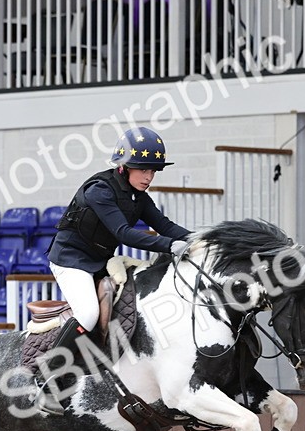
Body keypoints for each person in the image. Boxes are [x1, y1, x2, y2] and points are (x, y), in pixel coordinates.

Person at [41, 126, 193, 411]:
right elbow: (123, 233)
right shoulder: (100, 191)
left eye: (153, 171)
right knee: (88, 313)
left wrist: (197, 240)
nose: (149, 177)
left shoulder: (139, 198)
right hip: (71, 260)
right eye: (143, 170)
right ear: (124, 167)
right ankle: (50, 382)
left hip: (99, 262)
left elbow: (165, 226)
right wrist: (169, 246)